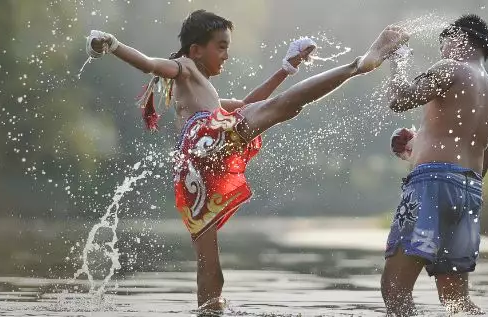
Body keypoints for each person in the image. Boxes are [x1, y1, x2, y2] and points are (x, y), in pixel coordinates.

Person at [86, 9, 409, 312]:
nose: (226, 54)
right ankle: (358, 65)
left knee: (209, 263)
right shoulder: (184, 67)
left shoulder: (203, 88)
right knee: (284, 108)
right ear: (196, 50)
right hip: (205, 141)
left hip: (192, 170)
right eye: (221, 47)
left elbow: (248, 104)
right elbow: (149, 64)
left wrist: (286, 68)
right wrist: (113, 45)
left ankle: (209, 309)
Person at [381, 14, 488, 316]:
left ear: (459, 39)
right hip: (469, 192)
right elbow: (481, 160)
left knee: (395, 290)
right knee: (457, 303)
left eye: (444, 43)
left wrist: (397, 56)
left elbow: (399, 98)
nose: (441, 52)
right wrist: (414, 147)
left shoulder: (450, 68)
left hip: (430, 185)